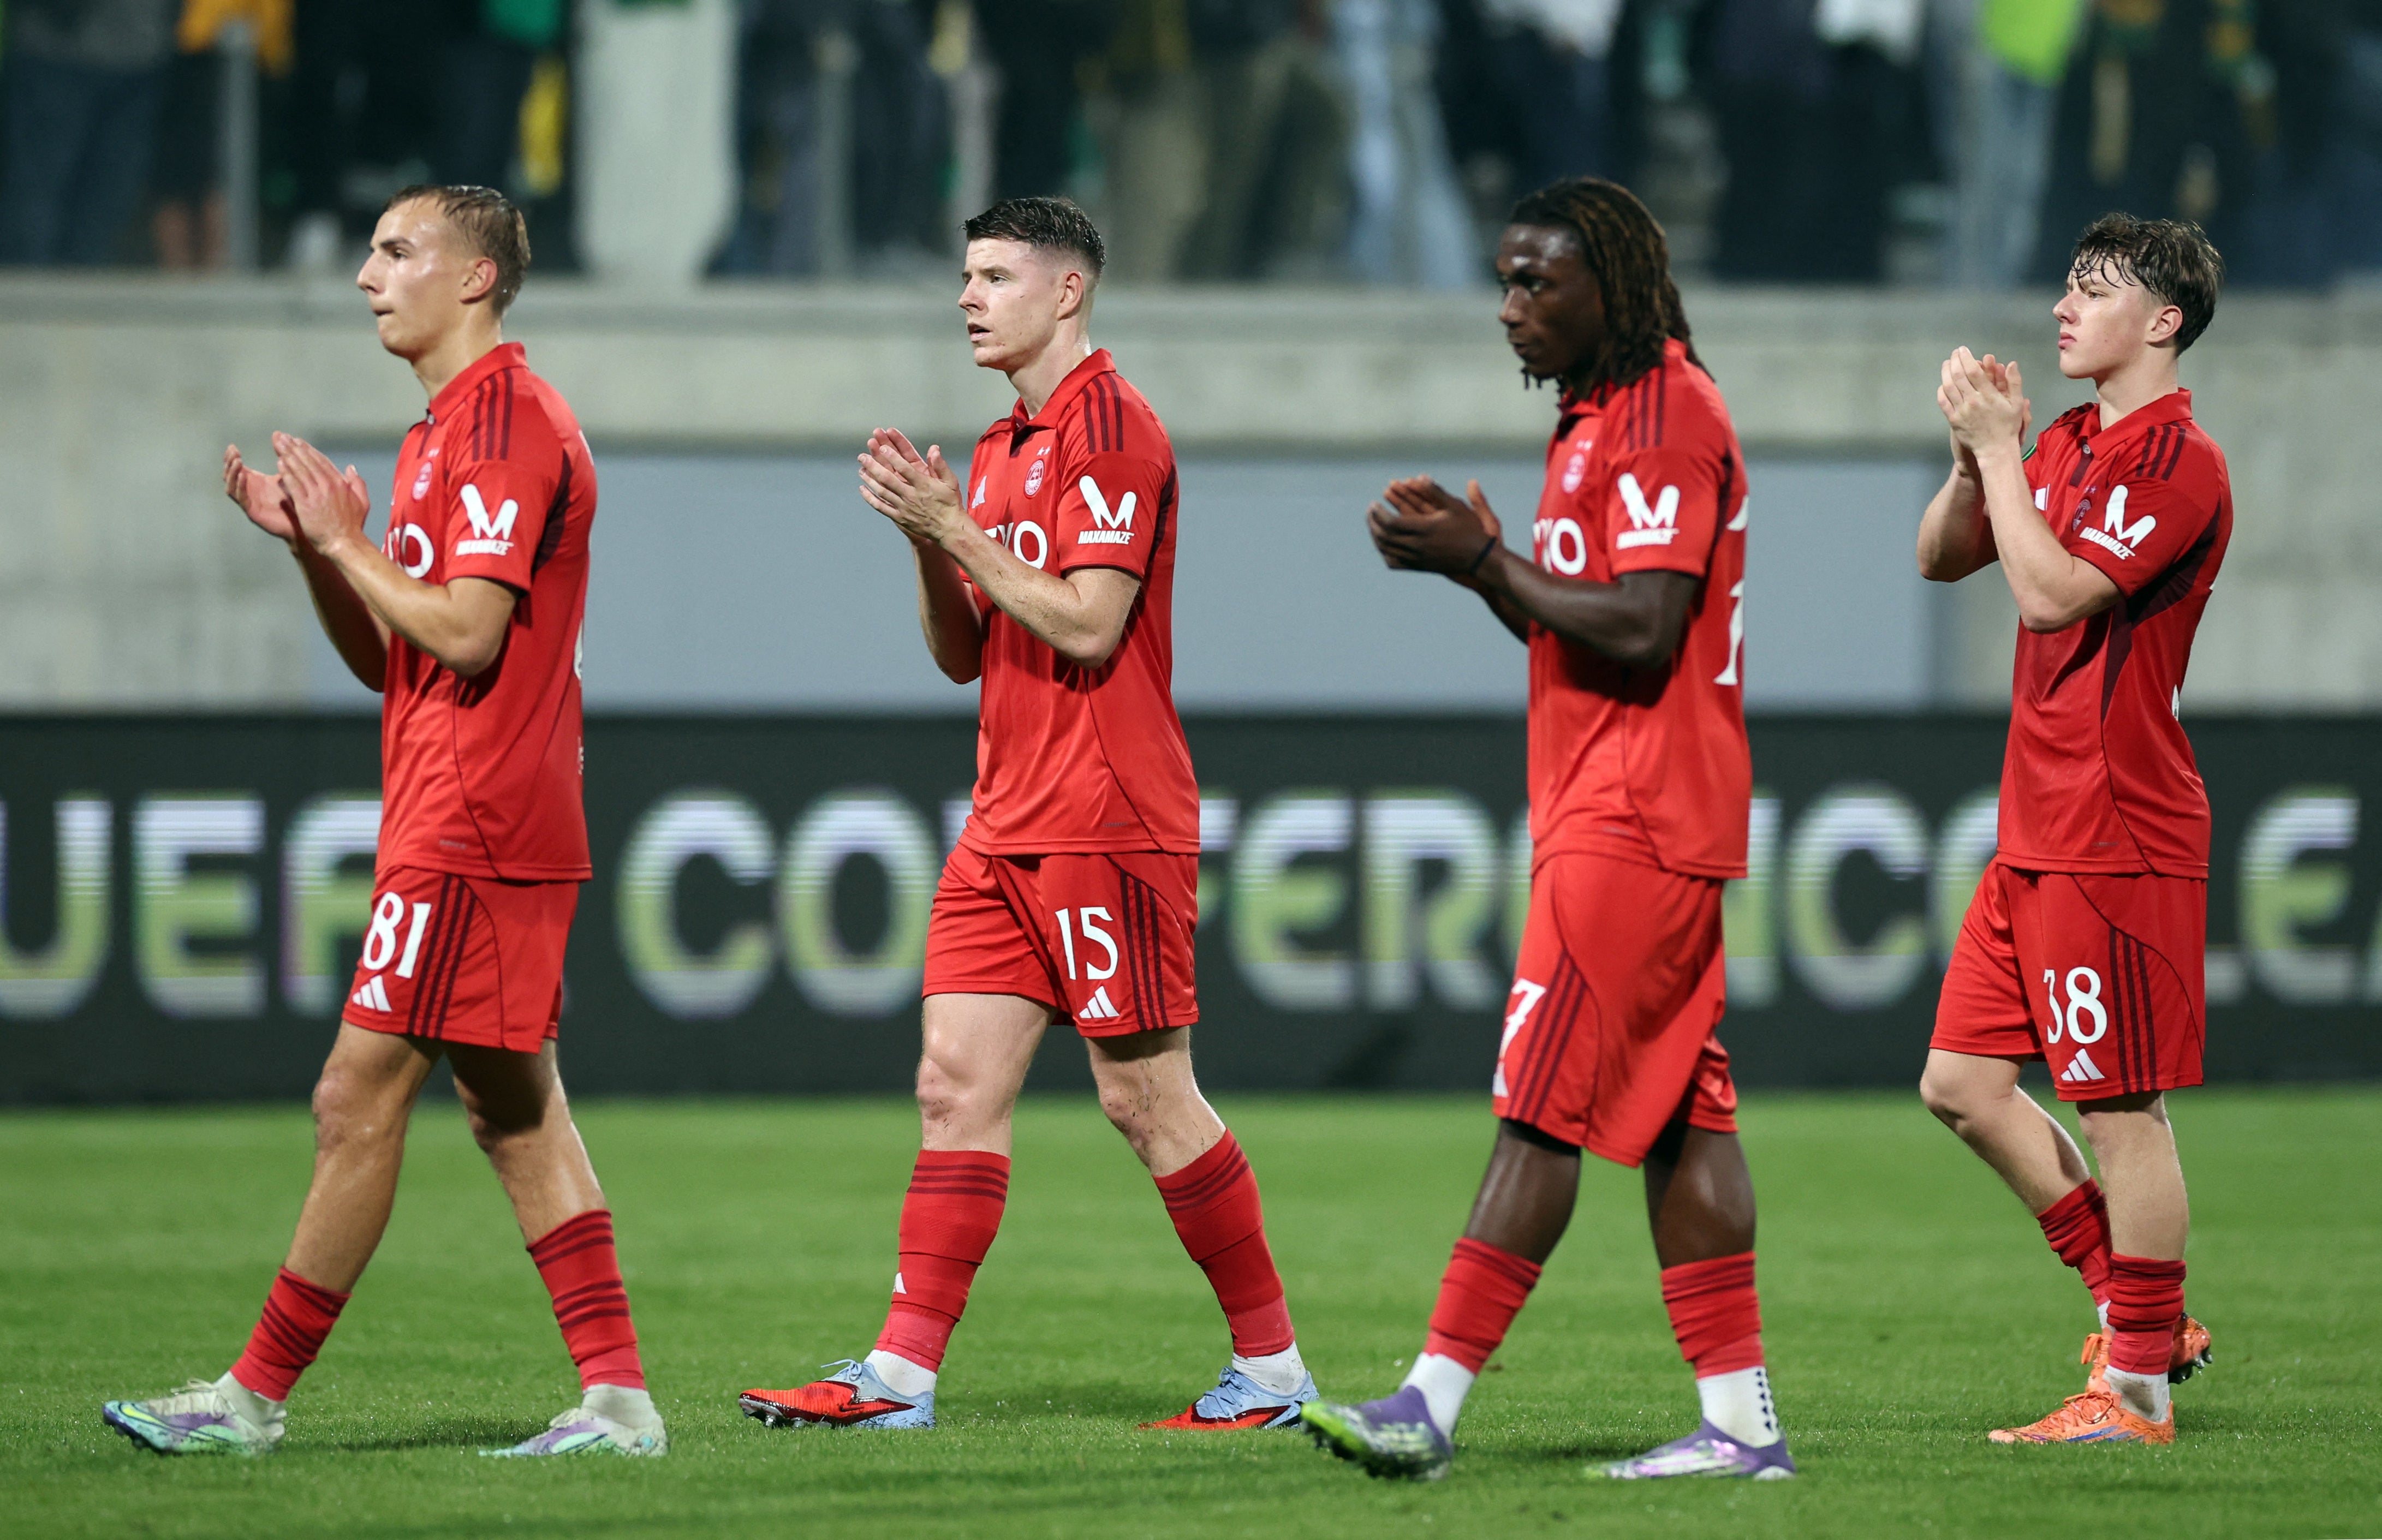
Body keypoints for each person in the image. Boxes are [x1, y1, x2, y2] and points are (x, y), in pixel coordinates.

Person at [100, 185, 666, 1460]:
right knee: (513, 1110)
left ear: (474, 278)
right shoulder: (445, 432)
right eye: (369, 250)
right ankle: (620, 1404)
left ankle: (250, 1399)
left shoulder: (507, 423)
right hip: (463, 807)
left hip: (475, 819)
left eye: (397, 250)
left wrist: (352, 544)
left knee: (354, 1095)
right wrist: (321, 551)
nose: (367, 274)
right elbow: (395, 656)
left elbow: (465, 633)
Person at [736, 196, 1317, 1434]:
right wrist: (928, 541)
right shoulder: (1003, 446)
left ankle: (1272, 1372)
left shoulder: (1113, 426)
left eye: (995, 275)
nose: (967, 297)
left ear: (1068, 291)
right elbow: (966, 652)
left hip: (1108, 815)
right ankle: (898, 1378)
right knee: (952, 1085)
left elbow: (1091, 624)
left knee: (1145, 1097)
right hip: (1004, 820)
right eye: (965, 275)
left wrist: (955, 528)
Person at [1302, 176, 1788, 1482]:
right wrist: (1481, 567)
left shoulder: (1665, 413)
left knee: (1537, 1108)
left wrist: (1481, 560)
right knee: (1685, 1117)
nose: (1510, 306)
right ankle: (1742, 1427)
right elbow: (1577, 621)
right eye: (1504, 281)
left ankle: (1426, 1404)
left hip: (1635, 813)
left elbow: (1646, 626)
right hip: (1622, 802)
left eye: (1536, 282)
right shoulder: (1596, 418)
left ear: (1609, 287)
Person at [1916, 213, 2229, 1446]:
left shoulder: (2177, 463)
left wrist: (2004, 454)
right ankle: (2138, 1312)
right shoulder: (2062, 442)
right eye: (2066, 286)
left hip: (2116, 828)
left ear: (2161, 322)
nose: (2063, 307)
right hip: (2035, 828)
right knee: (1959, 1085)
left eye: (2093, 291)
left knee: (2119, 1110)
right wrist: (1971, 460)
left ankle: (2134, 1391)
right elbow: (1941, 559)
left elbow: (2051, 597)